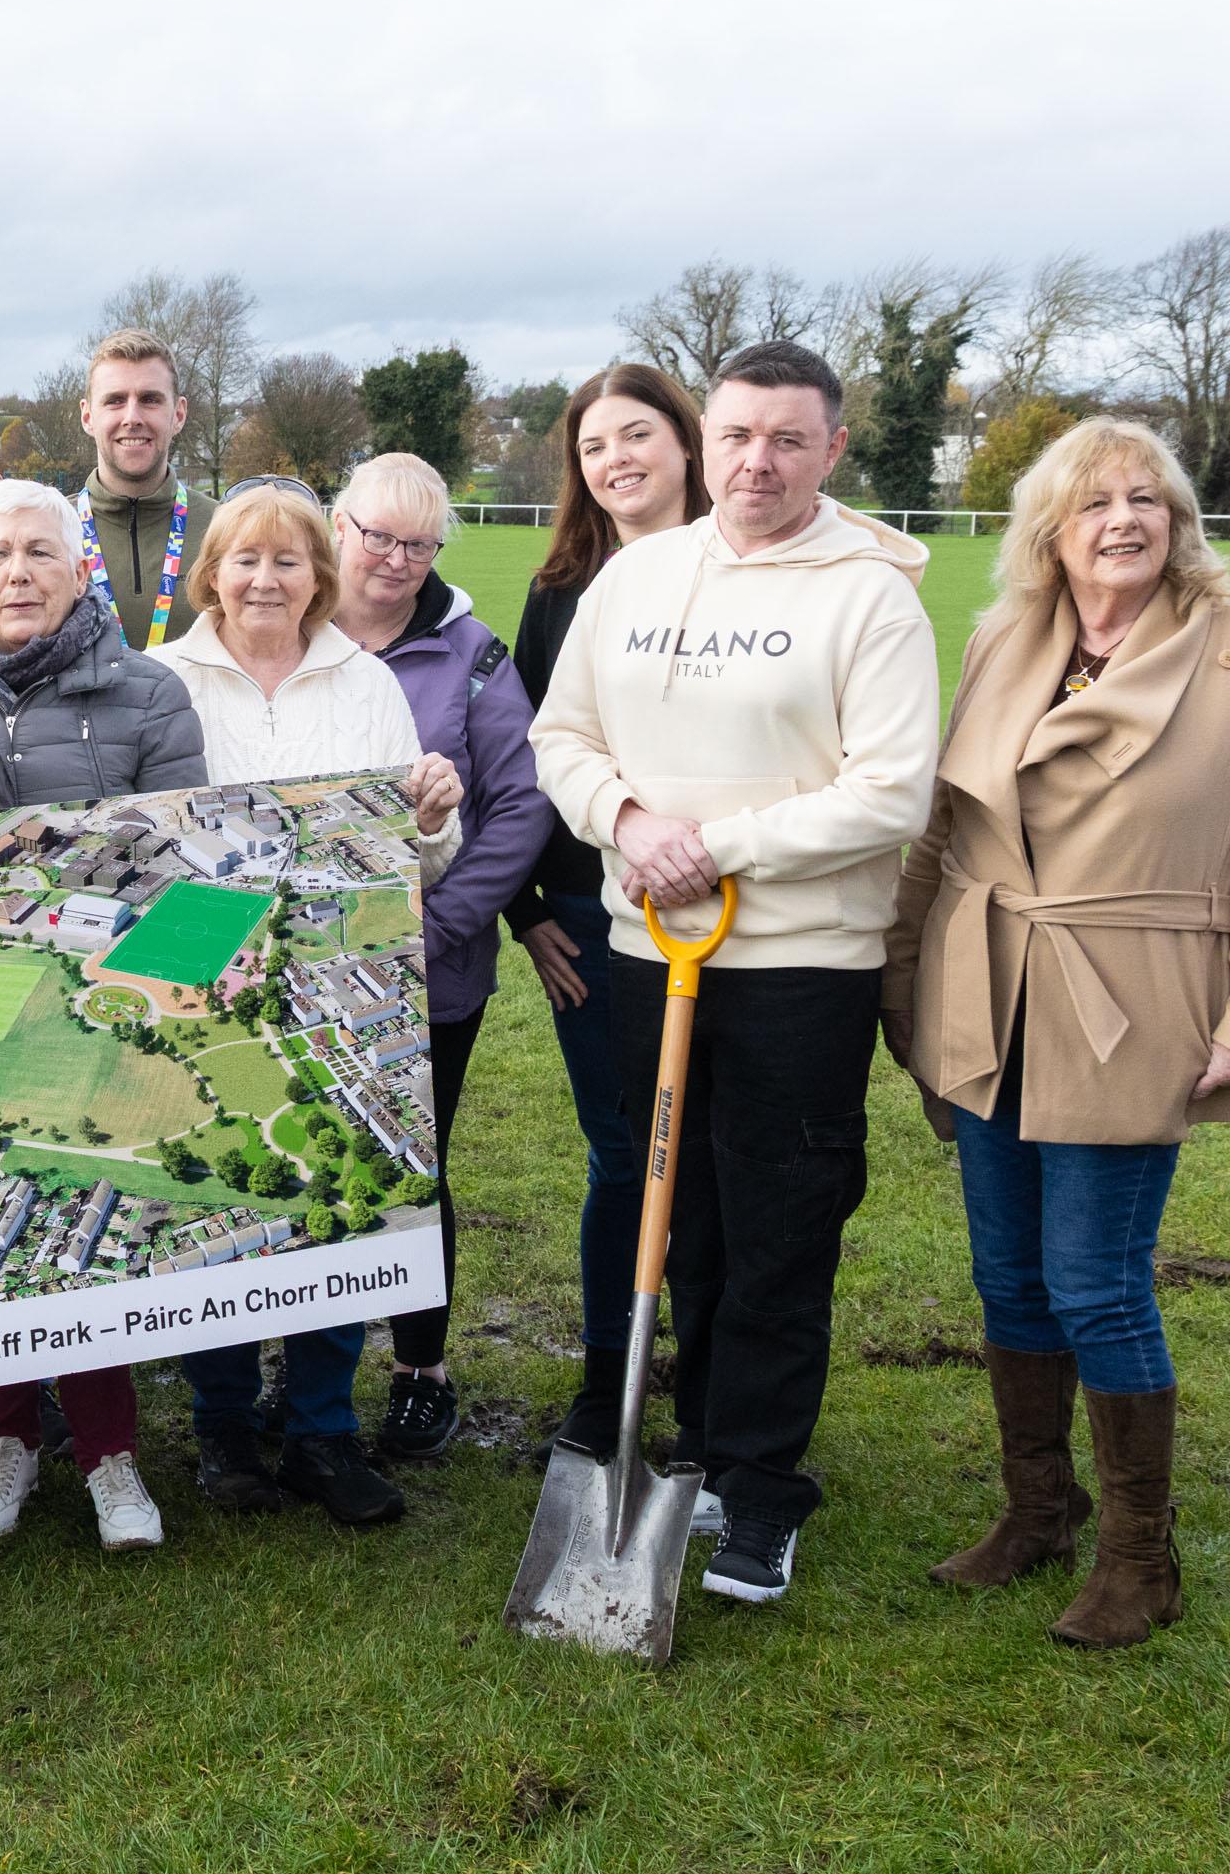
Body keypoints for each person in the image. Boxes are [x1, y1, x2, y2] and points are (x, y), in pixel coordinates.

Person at [885, 417, 1230, 1648]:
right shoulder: (1004, 638)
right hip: (985, 989)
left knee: (1096, 1280)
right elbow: (942, 824)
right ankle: (1040, 1511)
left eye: (1148, 498)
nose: (1124, 519)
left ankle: (1143, 1558)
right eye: (1095, 502)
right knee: (1010, 1276)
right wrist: (902, 973)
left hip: (1133, 1002)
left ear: (1181, 521)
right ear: (1051, 531)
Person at [529, 339, 939, 1605]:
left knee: (779, 1223)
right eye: (737, 435)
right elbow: (562, 734)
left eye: (787, 439)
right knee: (682, 1217)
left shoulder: (872, 597)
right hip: (652, 953)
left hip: (799, 969)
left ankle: (761, 1491)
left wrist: (716, 846)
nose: (757, 462)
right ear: (706, 441)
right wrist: (628, 820)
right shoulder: (637, 575)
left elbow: (891, 792)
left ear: (832, 450)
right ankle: (698, 1449)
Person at [148, 478, 462, 1528]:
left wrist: (432, 817)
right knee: (225, 1185)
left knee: (338, 1178)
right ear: (213, 573)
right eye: (245, 558)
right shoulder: (163, 678)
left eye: (287, 560)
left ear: (318, 576)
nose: (265, 578)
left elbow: (416, 857)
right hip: (206, 957)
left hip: (335, 958)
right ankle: (225, 1423)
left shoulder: (366, 682)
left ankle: (323, 1427)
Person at [0, 478, 205, 1552]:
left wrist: (127, 991)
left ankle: (108, 1450)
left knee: (87, 1220)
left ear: (82, 569)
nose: (19, 574)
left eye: (41, 552)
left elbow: (180, 857)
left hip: (97, 992)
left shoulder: (152, 693)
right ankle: (6, 1434)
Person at [495, 366, 712, 1452]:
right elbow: (531, 754)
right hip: (591, 921)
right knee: (625, 1154)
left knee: (718, 1166)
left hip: (738, 915)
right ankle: (606, 1382)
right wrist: (529, 909)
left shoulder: (750, 572)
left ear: (686, 441)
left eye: (637, 434)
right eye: (593, 446)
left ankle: (718, 1397)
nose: (616, 459)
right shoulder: (561, 590)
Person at [324, 456, 550, 1463]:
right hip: (304, 962)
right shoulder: (288, 629)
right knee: (315, 1163)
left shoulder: (472, 653)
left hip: (432, 967)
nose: (396, 559)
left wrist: (440, 925)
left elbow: (521, 805)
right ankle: (306, 1372)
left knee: (416, 1166)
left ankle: (422, 1370)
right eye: (379, 535)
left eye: (418, 544)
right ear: (339, 526)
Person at [72, 328, 204, 651]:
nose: (132, 417)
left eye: (150, 400)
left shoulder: (226, 529)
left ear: (179, 414)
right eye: (115, 401)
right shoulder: (47, 529)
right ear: (88, 416)